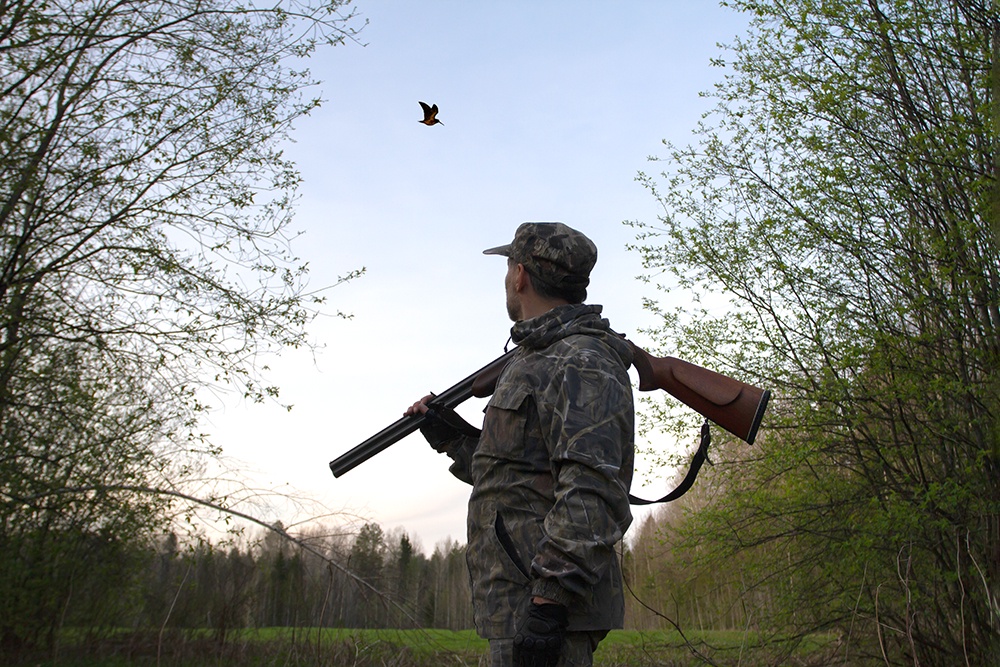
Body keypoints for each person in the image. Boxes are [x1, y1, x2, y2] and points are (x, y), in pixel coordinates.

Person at [404, 222, 635, 667]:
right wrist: (450, 436)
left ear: (520, 276)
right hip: (517, 602)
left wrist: (548, 604)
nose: (507, 279)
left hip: (547, 611)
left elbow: (594, 492)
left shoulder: (582, 359)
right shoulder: (532, 360)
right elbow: (515, 477)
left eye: (509, 266)